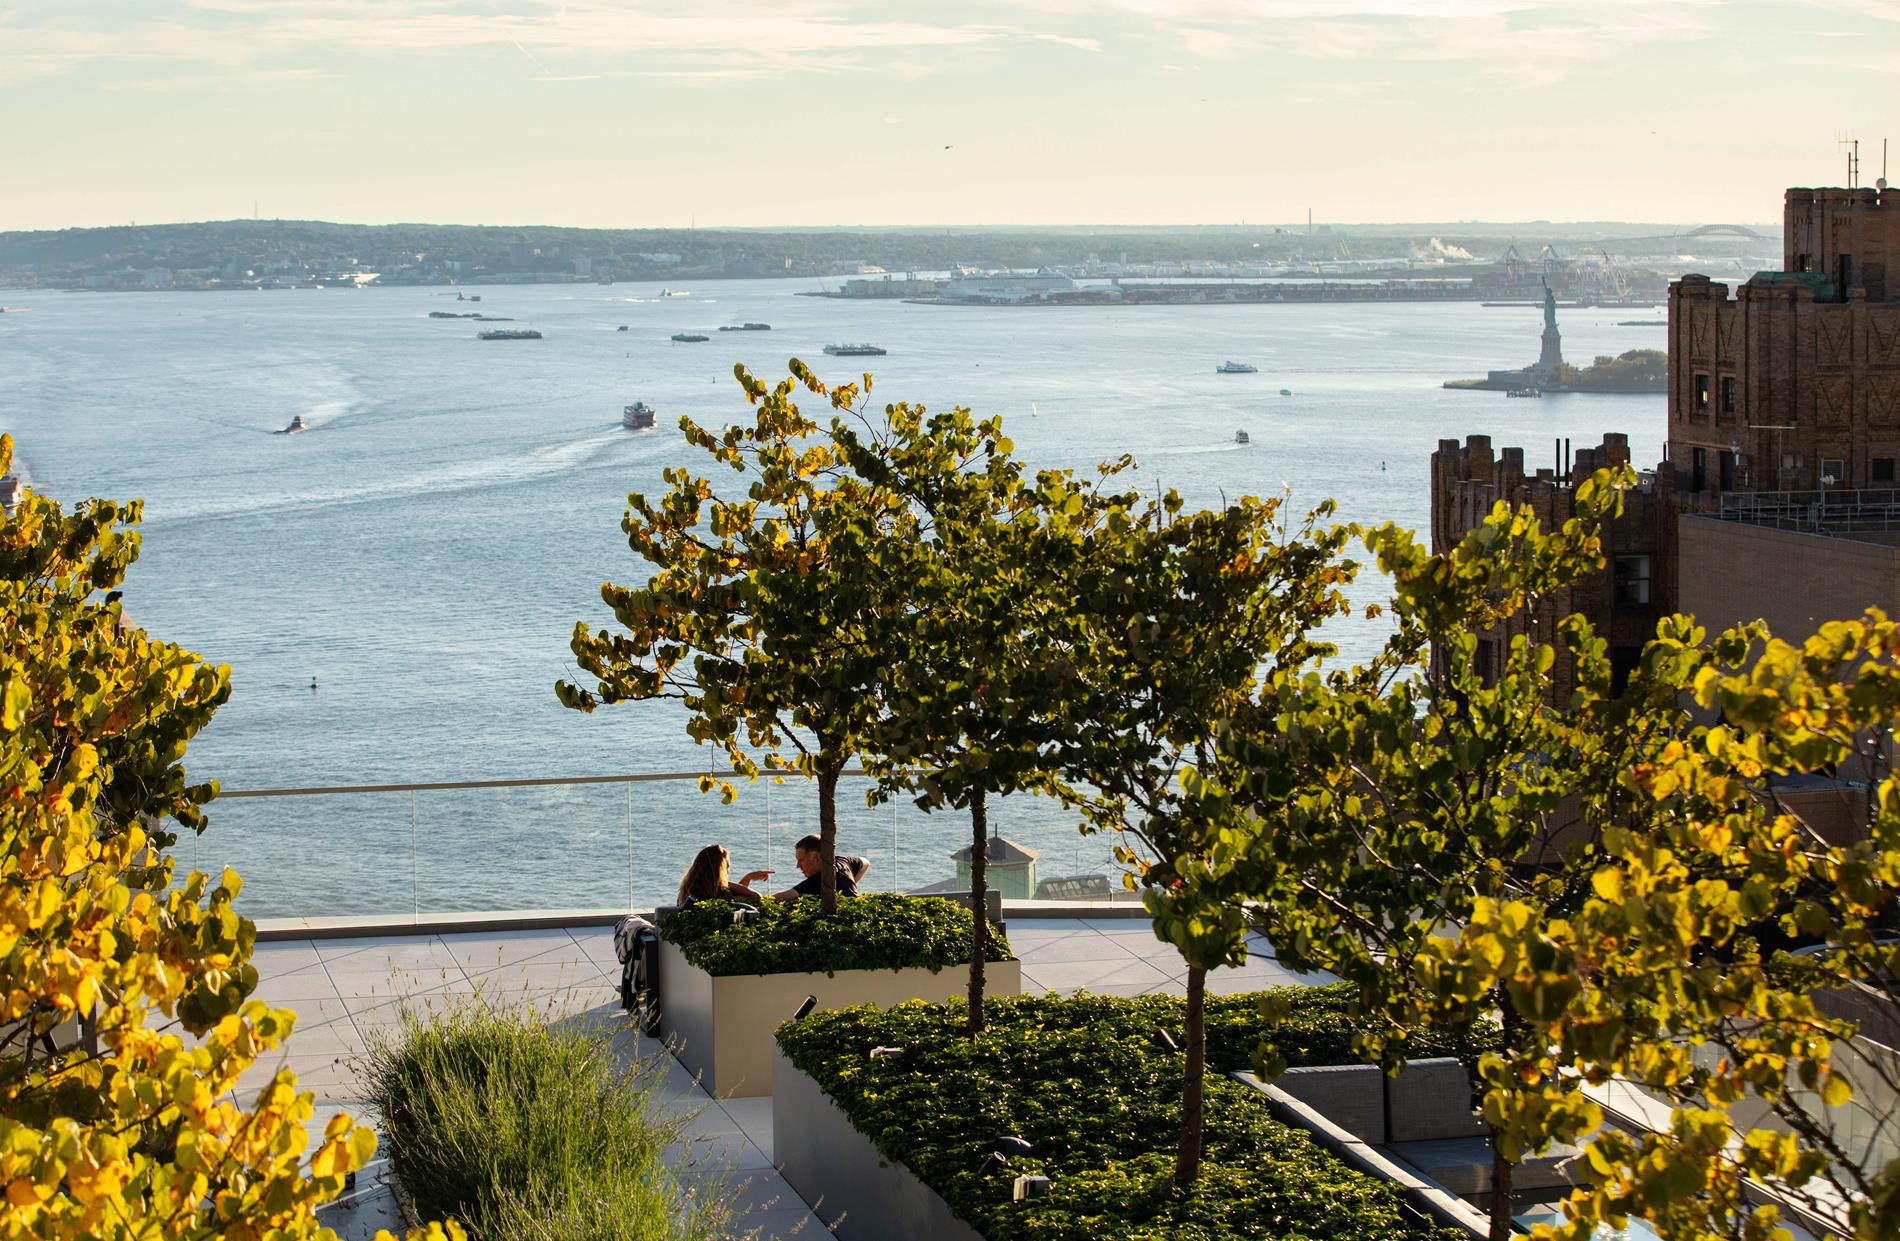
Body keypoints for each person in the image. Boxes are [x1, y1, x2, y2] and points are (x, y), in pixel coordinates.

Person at [774, 834, 870, 900]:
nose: (798, 866)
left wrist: (762, 899)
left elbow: (787, 895)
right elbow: (865, 863)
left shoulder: (818, 880)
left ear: (817, 858)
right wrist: (851, 880)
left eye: (801, 860)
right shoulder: (842, 862)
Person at [676, 844, 772, 907]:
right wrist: (722, 882)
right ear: (720, 870)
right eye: (727, 866)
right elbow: (756, 897)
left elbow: (734, 893)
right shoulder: (719, 891)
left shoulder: (689, 888)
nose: (728, 870)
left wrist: (748, 878)